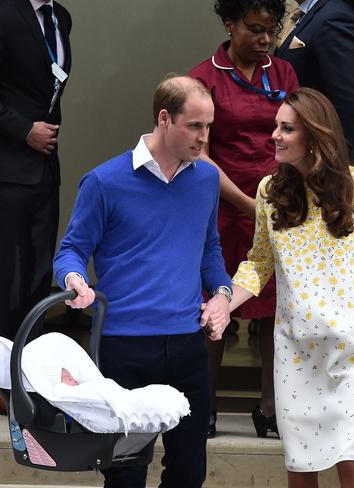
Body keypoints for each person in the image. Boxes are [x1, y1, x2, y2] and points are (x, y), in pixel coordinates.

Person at [207, 88, 354, 488]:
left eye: (286, 128)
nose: (274, 135)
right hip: (295, 352)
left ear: (314, 135)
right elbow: (258, 264)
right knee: (300, 465)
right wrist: (225, 302)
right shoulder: (268, 192)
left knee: (352, 462)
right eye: (275, 127)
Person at [53, 76, 232, 488]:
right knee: (125, 475)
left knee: (190, 472)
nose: (204, 138)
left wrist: (221, 295)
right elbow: (70, 250)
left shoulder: (205, 179)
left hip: (188, 345)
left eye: (209, 127)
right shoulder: (104, 181)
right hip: (124, 348)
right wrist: (76, 281)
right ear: (164, 119)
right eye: (195, 126)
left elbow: (209, 250)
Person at [189, 0, 299, 438]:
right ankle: (204, 407)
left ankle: (270, 409)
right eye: (254, 29)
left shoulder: (284, 73)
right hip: (222, 207)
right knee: (216, 306)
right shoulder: (204, 76)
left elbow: (297, 135)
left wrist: (276, 200)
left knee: (278, 309)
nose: (265, 40)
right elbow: (201, 153)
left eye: (270, 30)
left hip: (279, 206)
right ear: (230, 25)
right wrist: (248, 204)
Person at [0, 0, 72, 414]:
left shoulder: (62, 18)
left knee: (39, 274)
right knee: (5, 272)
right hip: (4, 168)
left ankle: (30, 377)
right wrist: (23, 131)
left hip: (43, 168)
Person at [274, 0, 354, 170]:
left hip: (322, 164)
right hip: (297, 159)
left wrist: (345, 171)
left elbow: (350, 105)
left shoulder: (334, 17)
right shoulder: (305, 16)